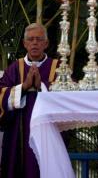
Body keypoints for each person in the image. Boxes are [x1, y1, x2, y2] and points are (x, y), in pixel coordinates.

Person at [0, 23, 58, 178]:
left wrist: (42, 86)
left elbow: (66, 97)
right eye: (30, 39)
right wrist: (24, 87)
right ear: (24, 44)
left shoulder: (57, 68)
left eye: (39, 39)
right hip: (17, 135)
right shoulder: (14, 68)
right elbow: (1, 96)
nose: (34, 43)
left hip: (48, 133)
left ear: (46, 43)